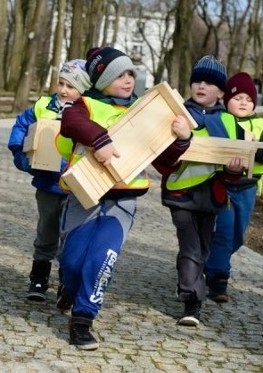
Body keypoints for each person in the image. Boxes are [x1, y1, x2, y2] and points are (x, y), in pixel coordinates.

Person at [58, 47, 192, 350]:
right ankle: (68, 286)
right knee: (72, 261)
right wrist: (99, 140)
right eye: (119, 74)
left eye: (130, 73)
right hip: (85, 196)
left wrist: (182, 138)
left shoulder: (145, 109)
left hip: (122, 201)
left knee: (102, 260)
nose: (128, 80)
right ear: (101, 78)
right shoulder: (85, 105)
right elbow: (71, 124)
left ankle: (82, 320)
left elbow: (164, 161)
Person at [153, 55, 245, 327]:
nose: (201, 86)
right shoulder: (176, 115)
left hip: (212, 197)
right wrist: (181, 139)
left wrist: (233, 169)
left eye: (209, 82)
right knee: (191, 246)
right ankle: (192, 301)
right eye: (197, 81)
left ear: (220, 91)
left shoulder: (230, 122)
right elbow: (161, 160)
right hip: (181, 195)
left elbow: (236, 168)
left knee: (202, 249)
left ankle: (190, 283)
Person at [7, 59, 91, 301]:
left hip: (75, 187)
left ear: (84, 90)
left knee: (71, 237)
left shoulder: (88, 111)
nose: (64, 90)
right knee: (46, 233)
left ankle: (67, 282)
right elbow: (22, 125)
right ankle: (39, 278)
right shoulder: (43, 106)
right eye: (61, 83)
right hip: (47, 183)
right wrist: (19, 151)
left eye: (71, 86)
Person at [204, 72, 263, 302]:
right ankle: (218, 282)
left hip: (248, 188)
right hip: (225, 184)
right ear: (226, 100)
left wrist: (253, 147)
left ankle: (208, 260)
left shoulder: (261, 124)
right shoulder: (219, 120)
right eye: (238, 98)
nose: (243, 102)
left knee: (238, 235)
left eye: (248, 99)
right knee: (225, 233)